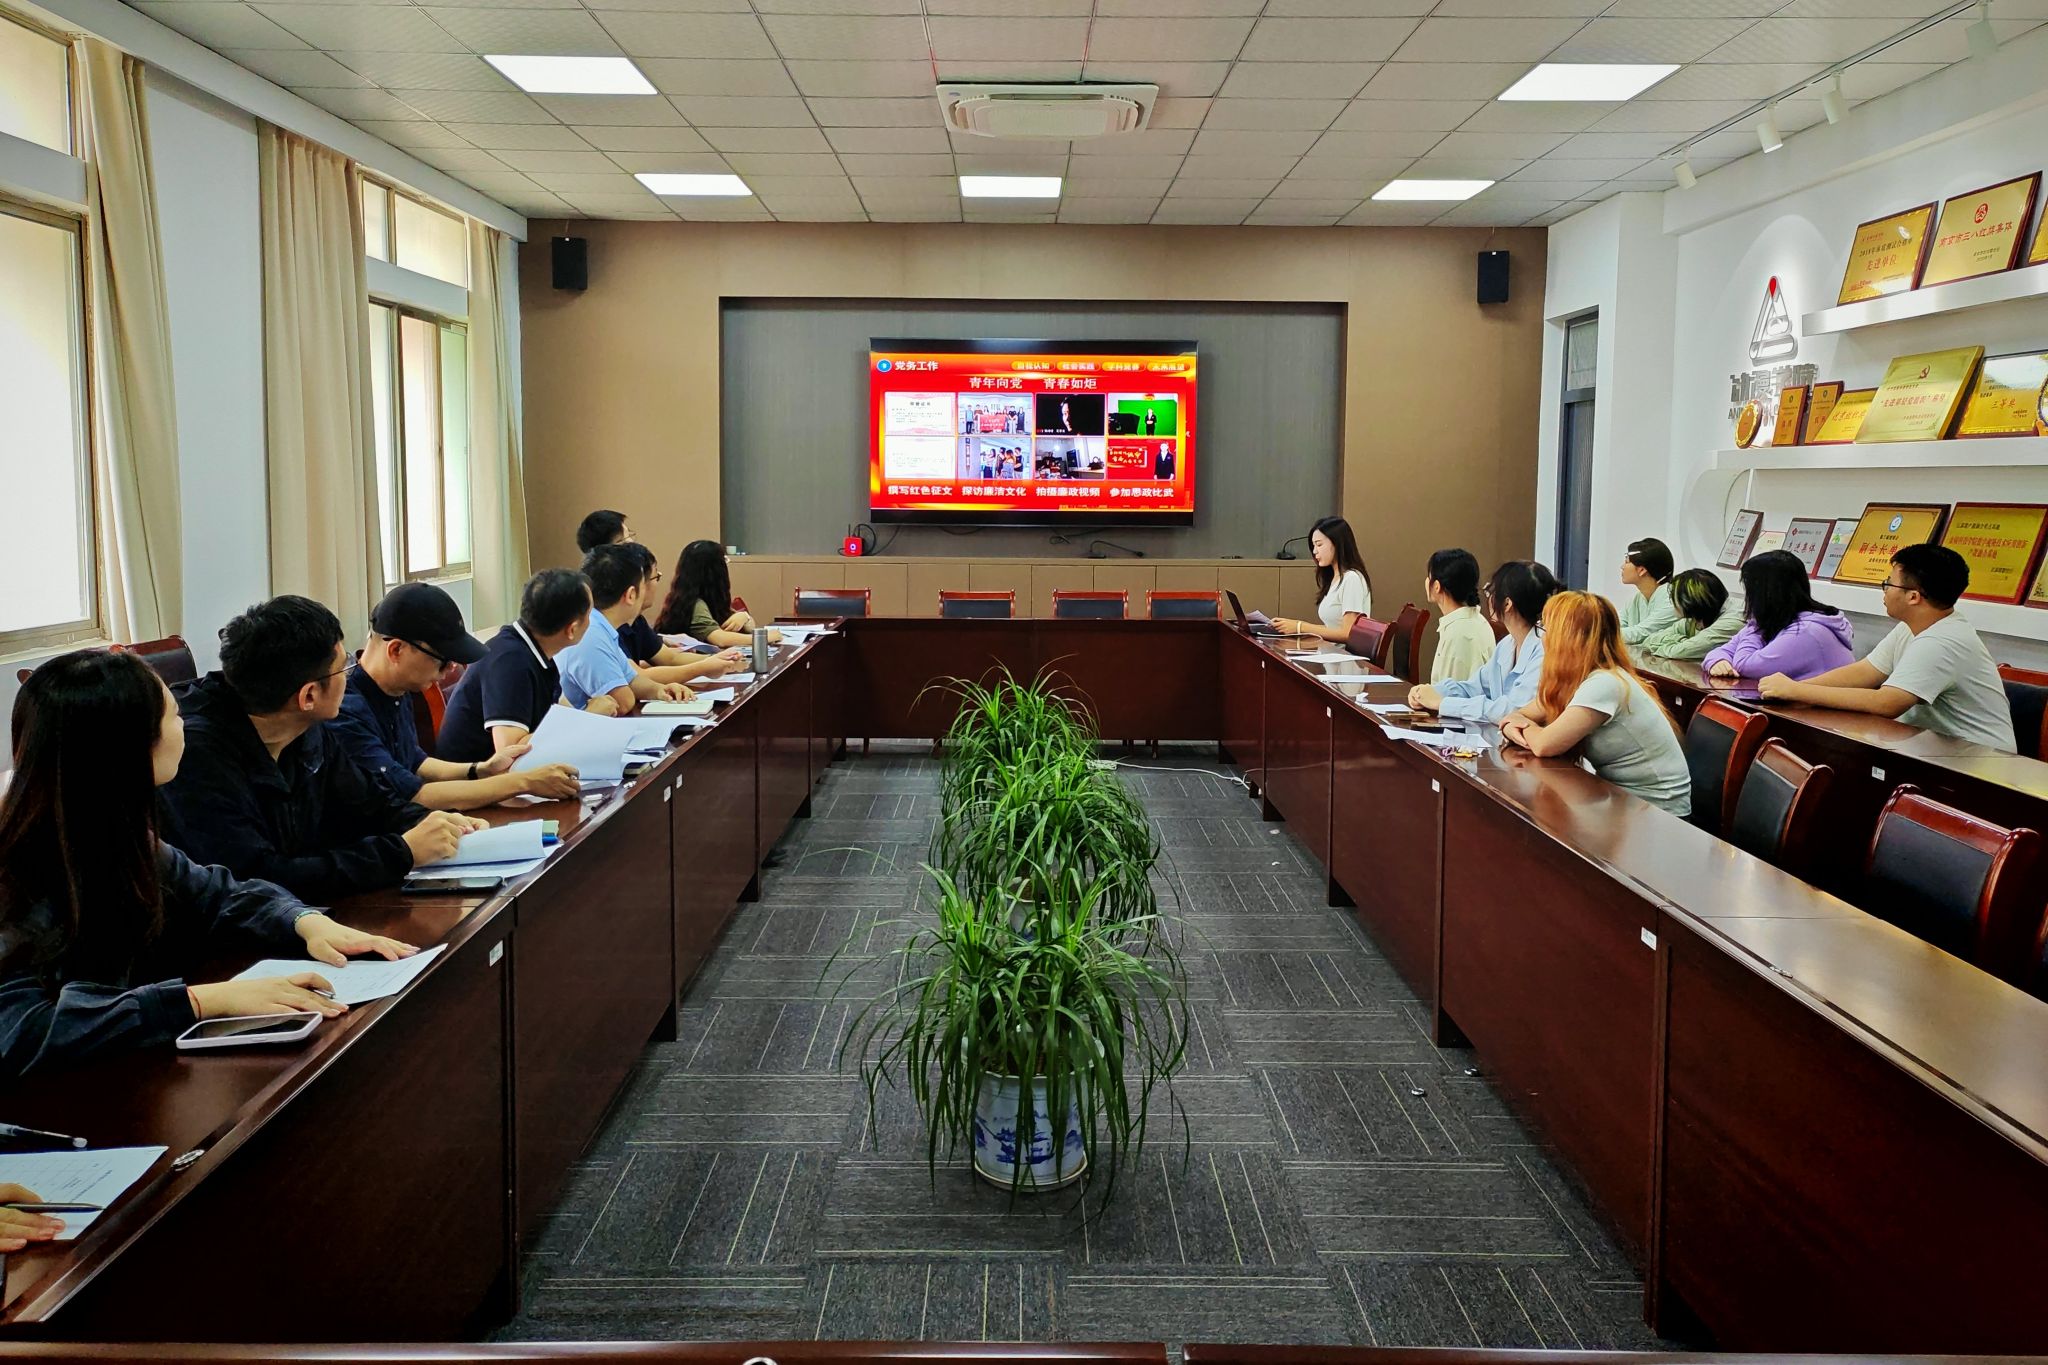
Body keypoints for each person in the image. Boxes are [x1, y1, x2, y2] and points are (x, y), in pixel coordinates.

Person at [1, 651, 415, 1081]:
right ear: (128, 746)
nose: (185, 725)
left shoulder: (110, 829)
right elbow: (19, 1031)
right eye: (174, 716)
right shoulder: (17, 866)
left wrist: (304, 922)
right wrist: (202, 1002)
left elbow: (218, 893)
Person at [162, 597, 482, 903]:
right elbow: (256, 878)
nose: (351, 674)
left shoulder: (305, 725)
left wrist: (434, 822)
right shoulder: (196, 756)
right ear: (309, 696)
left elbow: (370, 803)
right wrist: (401, 852)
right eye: (344, 667)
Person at [333, 582, 581, 810]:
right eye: (443, 660)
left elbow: (415, 762)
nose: (451, 669)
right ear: (396, 650)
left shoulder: (398, 688)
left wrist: (481, 769)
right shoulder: (344, 713)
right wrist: (524, 782)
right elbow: (415, 795)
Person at [1757, 544, 2016, 751]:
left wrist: (1798, 690)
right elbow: (1865, 672)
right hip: (1933, 748)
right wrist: (1794, 691)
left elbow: (1888, 703)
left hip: (1977, 762)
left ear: (1913, 596)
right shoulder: (1912, 626)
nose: (1884, 590)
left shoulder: (1942, 641)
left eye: (1889, 584)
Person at [1501, 591, 1691, 816]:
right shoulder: (1577, 679)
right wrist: (1513, 723)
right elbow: (1521, 715)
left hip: (1658, 814)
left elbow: (1544, 745)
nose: (1543, 638)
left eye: (1546, 629)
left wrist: (1519, 726)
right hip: (1621, 801)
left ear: (1567, 638)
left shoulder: (1604, 683)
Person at [438, 569, 602, 764]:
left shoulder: (535, 651)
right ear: (572, 629)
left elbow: (561, 717)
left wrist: (585, 720)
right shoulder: (510, 662)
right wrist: (588, 718)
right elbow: (511, 751)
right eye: (589, 615)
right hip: (476, 778)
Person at [1410, 560, 1556, 723]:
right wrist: (1431, 692)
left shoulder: (1545, 651)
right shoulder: (1508, 644)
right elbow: (1473, 688)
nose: (1489, 598)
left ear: (1507, 604)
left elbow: (1512, 711)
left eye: (1491, 591)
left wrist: (1442, 703)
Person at [557, 544, 694, 713]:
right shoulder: (591, 633)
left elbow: (631, 679)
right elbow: (623, 702)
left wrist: (659, 690)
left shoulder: (603, 626)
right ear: (631, 595)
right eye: (644, 585)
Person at [1703, 551, 1855, 680]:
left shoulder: (1806, 631)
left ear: (1764, 593)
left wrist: (1756, 626)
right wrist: (1717, 661)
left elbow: (1745, 666)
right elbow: (1722, 651)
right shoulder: (1782, 620)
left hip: (1819, 706)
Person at [612, 544, 747, 687]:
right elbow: (638, 677)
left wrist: (718, 659)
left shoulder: (637, 621)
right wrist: (704, 667)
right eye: (656, 577)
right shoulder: (609, 628)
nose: (657, 584)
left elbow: (670, 658)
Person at [654, 540, 781, 650]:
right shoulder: (695, 604)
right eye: (724, 561)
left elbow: (749, 626)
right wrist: (765, 637)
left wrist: (745, 617)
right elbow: (720, 639)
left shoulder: (704, 598)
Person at [1270, 515, 1373, 642]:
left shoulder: (1352, 578)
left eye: (1319, 544)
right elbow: (1332, 628)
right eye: (1313, 546)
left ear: (1337, 544)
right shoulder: (1335, 578)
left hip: (1341, 653)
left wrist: (1300, 627)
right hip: (1328, 650)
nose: (1314, 551)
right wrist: (1295, 626)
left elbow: (1348, 633)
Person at [1632, 568, 1742, 662]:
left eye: (1673, 596)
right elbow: (1649, 641)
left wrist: (1682, 645)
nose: (1671, 601)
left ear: (1689, 600)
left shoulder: (1731, 622)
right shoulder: (1695, 618)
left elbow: (1679, 652)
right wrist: (1683, 641)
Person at [1423, 548, 1493, 685]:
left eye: (1429, 576)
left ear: (1436, 586)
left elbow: (1448, 693)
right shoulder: (1475, 620)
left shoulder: (1459, 634)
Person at [1616, 538, 1677, 645]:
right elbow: (1615, 624)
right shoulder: (1637, 598)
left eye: (1626, 562)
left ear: (1642, 570)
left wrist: (1599, 633)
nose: (1622, 567)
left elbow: (1640, 634)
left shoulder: (1672, 599)